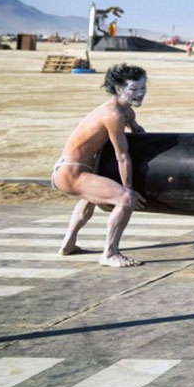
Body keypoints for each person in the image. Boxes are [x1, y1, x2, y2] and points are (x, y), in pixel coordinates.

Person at [51, 63, 149, 267]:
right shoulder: (113, 114)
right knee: (125, 199)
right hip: (71, 173)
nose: (140, 94)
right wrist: (128, 189)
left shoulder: (125, 111)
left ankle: (68, 244)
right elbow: (122, 156)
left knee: (89, 199)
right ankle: (110, 253)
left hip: (72, 170)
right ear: (118, 89)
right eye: (134, 89)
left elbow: (139, 133)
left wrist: (135, 125)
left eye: (143, 88)